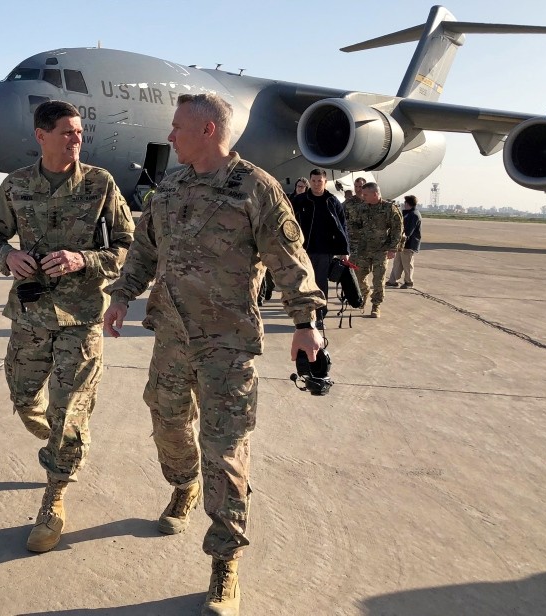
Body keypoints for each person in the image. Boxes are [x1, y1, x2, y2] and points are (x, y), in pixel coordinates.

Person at [103, 93, 326, 616]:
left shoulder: (255, 187)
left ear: (207, 130)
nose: (170, 135)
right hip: (172, 338)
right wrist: (120, 296)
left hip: (227, 344)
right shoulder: (171, 185)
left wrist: (306, 322)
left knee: (224, 451)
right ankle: (182, 484)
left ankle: (225, 559)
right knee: (166, 424)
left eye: (178, 127)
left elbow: (289, 259)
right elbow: (145, 250)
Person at [0, 100, 134, 554]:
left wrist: (83, 258)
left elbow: (128, 246)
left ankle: (55, 496)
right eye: (67, 132)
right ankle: (63, 434)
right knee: (25, 399)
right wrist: (7, 256)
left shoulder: (101, 184)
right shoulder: (17, 186)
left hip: (82, 317)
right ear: (41, 136)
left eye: (79, 132)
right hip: (30, 315)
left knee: (69, 412)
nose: (76, 138)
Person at [291, 168, 350, 328]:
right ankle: (304, 317)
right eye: (314, 181)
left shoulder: (332, 201)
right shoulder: (300, 200)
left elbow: (342, 226)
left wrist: (345, 250)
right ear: (310, 181)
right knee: (302, 284)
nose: (317, 184)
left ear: (325, 182)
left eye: (320, 181)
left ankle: (319, 316)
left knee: (320, 284)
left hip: (324, 251)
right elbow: (288, 223)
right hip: (302, 250)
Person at [345, 182, 403, 318]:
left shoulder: (389, 208)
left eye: (365, 194)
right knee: (358, 277)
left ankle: (376, 306)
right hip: (362, 250)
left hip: (380, 251)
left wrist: (392, 248)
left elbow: (397, 229)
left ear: (375, 194)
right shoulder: (361, 208)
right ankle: (364, 293)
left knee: (378, 280)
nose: (362, 196)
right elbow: (352, 224)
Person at [259, 177, 310, 304]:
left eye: (302, 187)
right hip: (286, 239)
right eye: (298, 186)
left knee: (298, 272)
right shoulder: (288, 200)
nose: (300, 189)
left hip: (304, 240)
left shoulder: (310, 201)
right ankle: (268, 289)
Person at [386, 194, 422, 288]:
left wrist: (400, 238)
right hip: (401, 243)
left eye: (405, 202)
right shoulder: (407, 213)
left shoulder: (414, 215)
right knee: (397, 263)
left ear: (408, 203)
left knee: (407, 264)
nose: (403, 204)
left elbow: (408, 231)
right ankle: (393, 280)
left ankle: (409, 282)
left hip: (409, 244)